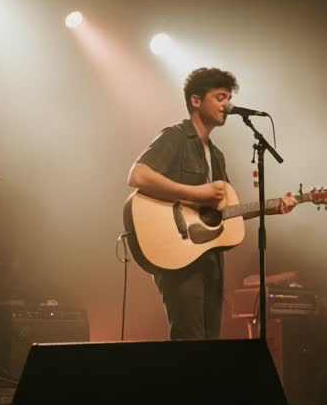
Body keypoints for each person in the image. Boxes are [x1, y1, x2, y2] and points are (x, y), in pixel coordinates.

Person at [127, 67, 297, 340]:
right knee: (190, 342)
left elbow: (221, 212)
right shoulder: (176, 136)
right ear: (196, 100)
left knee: (210, 344)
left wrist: (273, 206)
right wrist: (196, 194)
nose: (227, 105)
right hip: (179, 256)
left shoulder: (216, 155)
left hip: (209, 259)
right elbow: (138, 175)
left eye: (228, 98)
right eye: (219, 97)